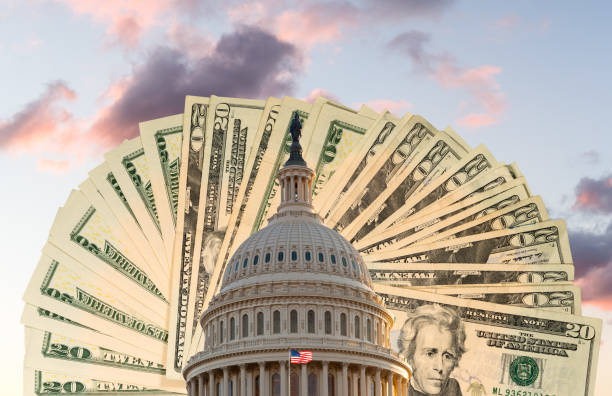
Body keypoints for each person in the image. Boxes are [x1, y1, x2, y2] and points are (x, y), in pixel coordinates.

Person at [398, 304, 466, 396]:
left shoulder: (452, 389)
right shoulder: (396, 389)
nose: (440, 367)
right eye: (430, 354)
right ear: (410, 357)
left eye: (447, 356)